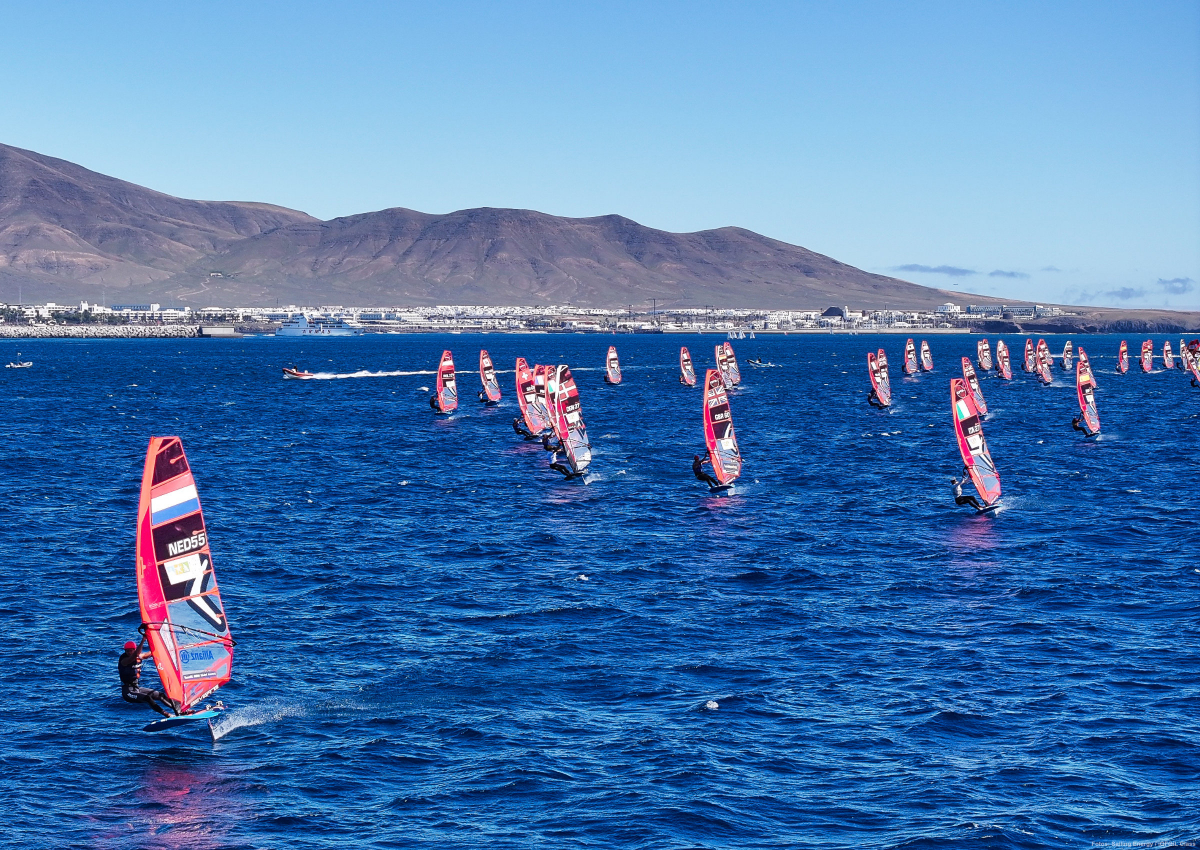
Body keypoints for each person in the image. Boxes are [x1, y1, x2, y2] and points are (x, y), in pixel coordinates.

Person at [118, 639, 177, 718]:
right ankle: (167, 714)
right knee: (147, 698)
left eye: (131, 650)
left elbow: (150, 653)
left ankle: (180, 711)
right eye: (127, 651)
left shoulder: (139, 656)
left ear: (134, 649)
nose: (129, 652)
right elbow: (135, 655)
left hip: (136, 688)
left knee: (161, 695)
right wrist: (143, 639)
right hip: (128, 692)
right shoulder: (124, 660)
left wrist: (166, 649)